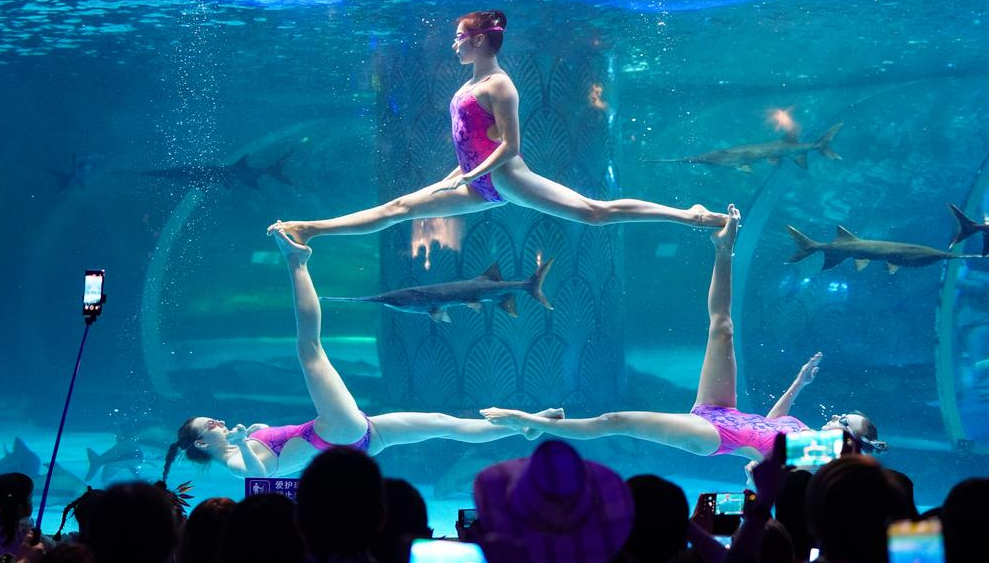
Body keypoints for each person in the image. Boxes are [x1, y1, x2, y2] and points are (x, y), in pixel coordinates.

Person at [266, 10, 726, 245]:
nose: (454, 45)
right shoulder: (470, 84)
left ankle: (689, 215)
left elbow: (509, 146)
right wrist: (456, 175)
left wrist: (470, 174)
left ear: (480, 40)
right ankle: (311, 229)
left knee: (594, 212)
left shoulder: (500, 84)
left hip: (506, 177)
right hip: (478, 183)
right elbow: (469, 143)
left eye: (459, 38)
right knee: (401, 207)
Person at [482, 205, 888, 463]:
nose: (835, 417)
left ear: (852, 442)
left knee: (616, 420)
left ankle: (529, 422)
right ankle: (724, 248)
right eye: (842, 415)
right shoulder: (809, 436)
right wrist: (798, 384)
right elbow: (772, 425)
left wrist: (851, 450)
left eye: (843, 422)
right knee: (723, 327)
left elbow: (767, 456)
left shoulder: (825, 456)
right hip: (727, 413)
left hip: (717, 437)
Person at [162, 229, 562, 481]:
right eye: (209, 424)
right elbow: (257, 476)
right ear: (202, 444)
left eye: (212, 418)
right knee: (309, 349)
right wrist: (244, 442)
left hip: (363, 436)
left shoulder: (243, 438)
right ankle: (296, 262)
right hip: (337, 434)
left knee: (445, 424)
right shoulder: (235, 460)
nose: (218, 421)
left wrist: (249, 435)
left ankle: (528, 424)